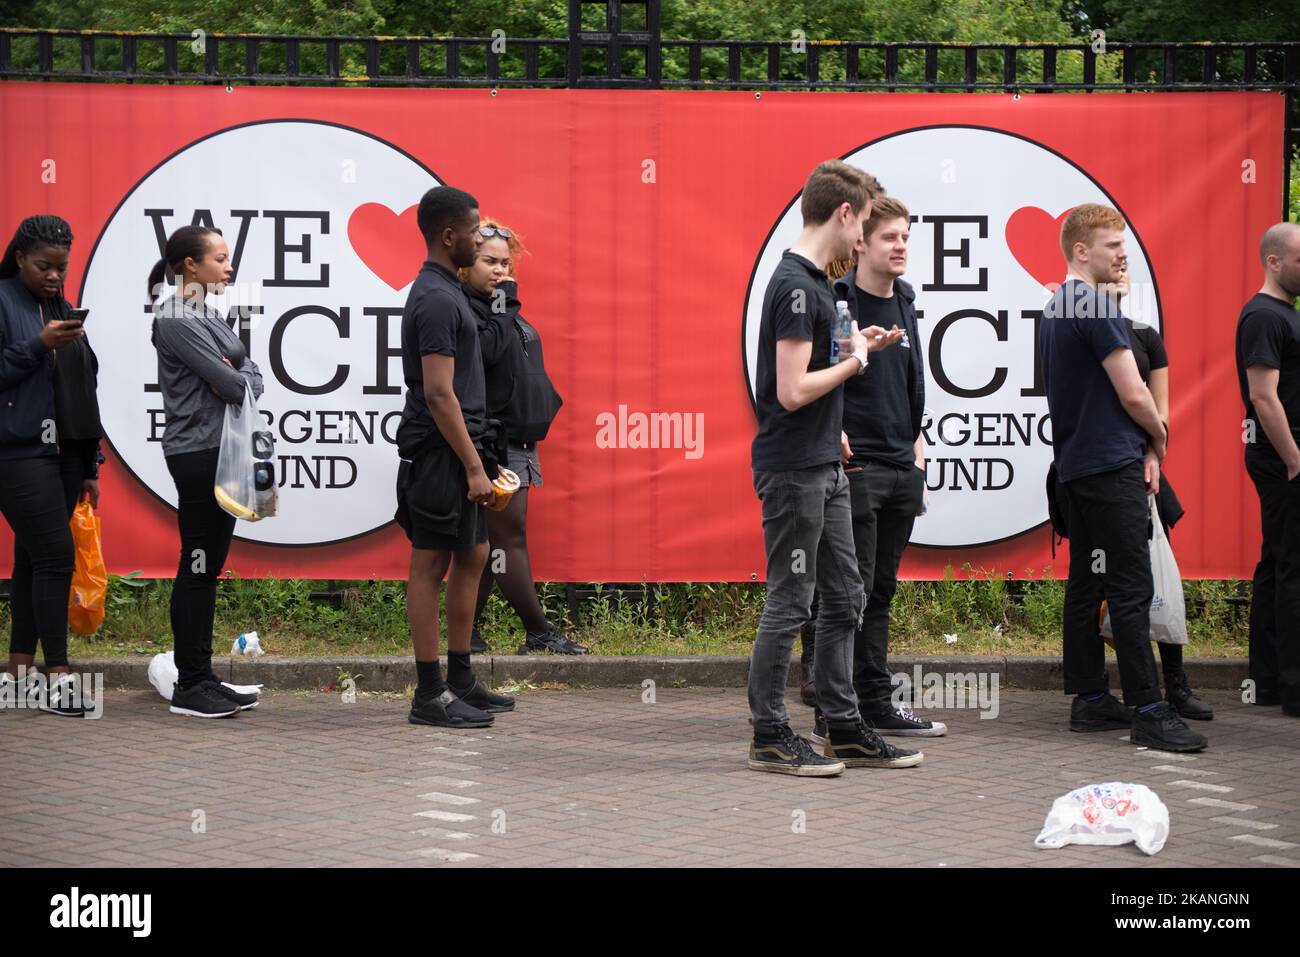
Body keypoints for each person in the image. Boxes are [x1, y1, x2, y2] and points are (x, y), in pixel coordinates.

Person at [746, 160, 917, 776]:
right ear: (845, 214)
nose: (865, 237)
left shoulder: (818, 286)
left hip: (826, 464)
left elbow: (812, 368)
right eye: (867, 223)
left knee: (846, 595)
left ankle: (844, 728)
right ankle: (769, 734)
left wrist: (853, 343)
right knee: (791, 602)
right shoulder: (796, 286)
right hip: (795, 468)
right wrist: (858, 361)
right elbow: (791, 391)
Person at [1039, 203, 1206, 752]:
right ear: (1081, 250)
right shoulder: (1094, 305)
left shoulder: (1055, 307)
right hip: (1111, 468)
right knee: (1132, 588)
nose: (1123, 255)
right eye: (1114, 246)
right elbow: (1134, 393)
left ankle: (1089, 700)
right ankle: (1150, 710)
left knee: (1087, 584)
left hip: (1074, 469)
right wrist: (1158, 440)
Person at [805, 195, 945, 747]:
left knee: (880, 589)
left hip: (900, 464)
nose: (901, 246)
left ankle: (876, 703)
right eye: (890, 237)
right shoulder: (836, 301)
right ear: (861, 242)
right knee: (844, 593)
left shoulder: (906, 300)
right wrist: (832, 432)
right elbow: (810, 375)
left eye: (906, 237)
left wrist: (917, 440)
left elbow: (911, 379)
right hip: (854, 465)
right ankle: (829, 708)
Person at [395, 186, 516, 728]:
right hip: (441, 451)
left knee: (473, 554)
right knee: (430, 564)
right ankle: (428, 692)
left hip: (466, 443)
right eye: (474, 232)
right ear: (449, 237)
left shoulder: (449, 292)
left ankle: (460, 675)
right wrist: (471, 466)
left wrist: (483, 457)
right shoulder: (437, 299)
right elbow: (440, 394)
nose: (481, 238)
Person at [149, 225, 264, 718]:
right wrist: (234, 375)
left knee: (210, 564)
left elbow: (252, 377)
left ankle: (204, 675)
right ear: (190, 266)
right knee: (197, 563)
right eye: (220, 258)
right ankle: (190, 686)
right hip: (197, 453)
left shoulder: (206, 313)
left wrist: (235, 374)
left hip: (225, 449)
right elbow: (235, 384)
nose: (229, 266)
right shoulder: (174, 317)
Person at [458, 218, 583, 655]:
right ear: (463, 264)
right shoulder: (474, 308)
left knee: (492, 540)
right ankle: (539, 630)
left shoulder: (500, 306)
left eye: (505, 263)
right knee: (509, 540)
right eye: (489, 261)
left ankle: (468, 630)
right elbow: (489, 351)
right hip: (494, 444)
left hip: (520, 442)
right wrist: (504, 301)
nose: (500, 271)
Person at [1096, 262, 1211, 719]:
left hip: (1142, 467)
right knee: (1103, 584)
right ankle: (1115, 692)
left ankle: (1175, 684)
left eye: (1122, 266)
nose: (1117, 272)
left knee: (1158, 580)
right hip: (1097, 469)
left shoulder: (1146, 336)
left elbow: (1158, 409)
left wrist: (1153, 455)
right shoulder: (1079, 335)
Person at [0, 215, 101, 717]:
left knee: (32, 560)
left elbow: (83, 386)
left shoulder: (60, 305)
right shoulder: (3, 300)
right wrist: (38, 345)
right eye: (44, 266)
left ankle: (16, 673)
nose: (55, 276)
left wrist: (90, 464)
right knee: (57, 557)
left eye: (62, 267)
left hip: (63, 453)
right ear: (19, 257)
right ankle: (57, 676)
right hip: (16, 452)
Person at [1236, 221, 1300, 718]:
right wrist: (1294, 455)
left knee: (1277, 562)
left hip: (1282, 456)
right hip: (1283, 458)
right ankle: (1292, 688)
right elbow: (1262, 395)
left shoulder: (1283, 314)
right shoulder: (1263, 316)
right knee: (1292, 565)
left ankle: (1269, 680)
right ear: (1274, 261)